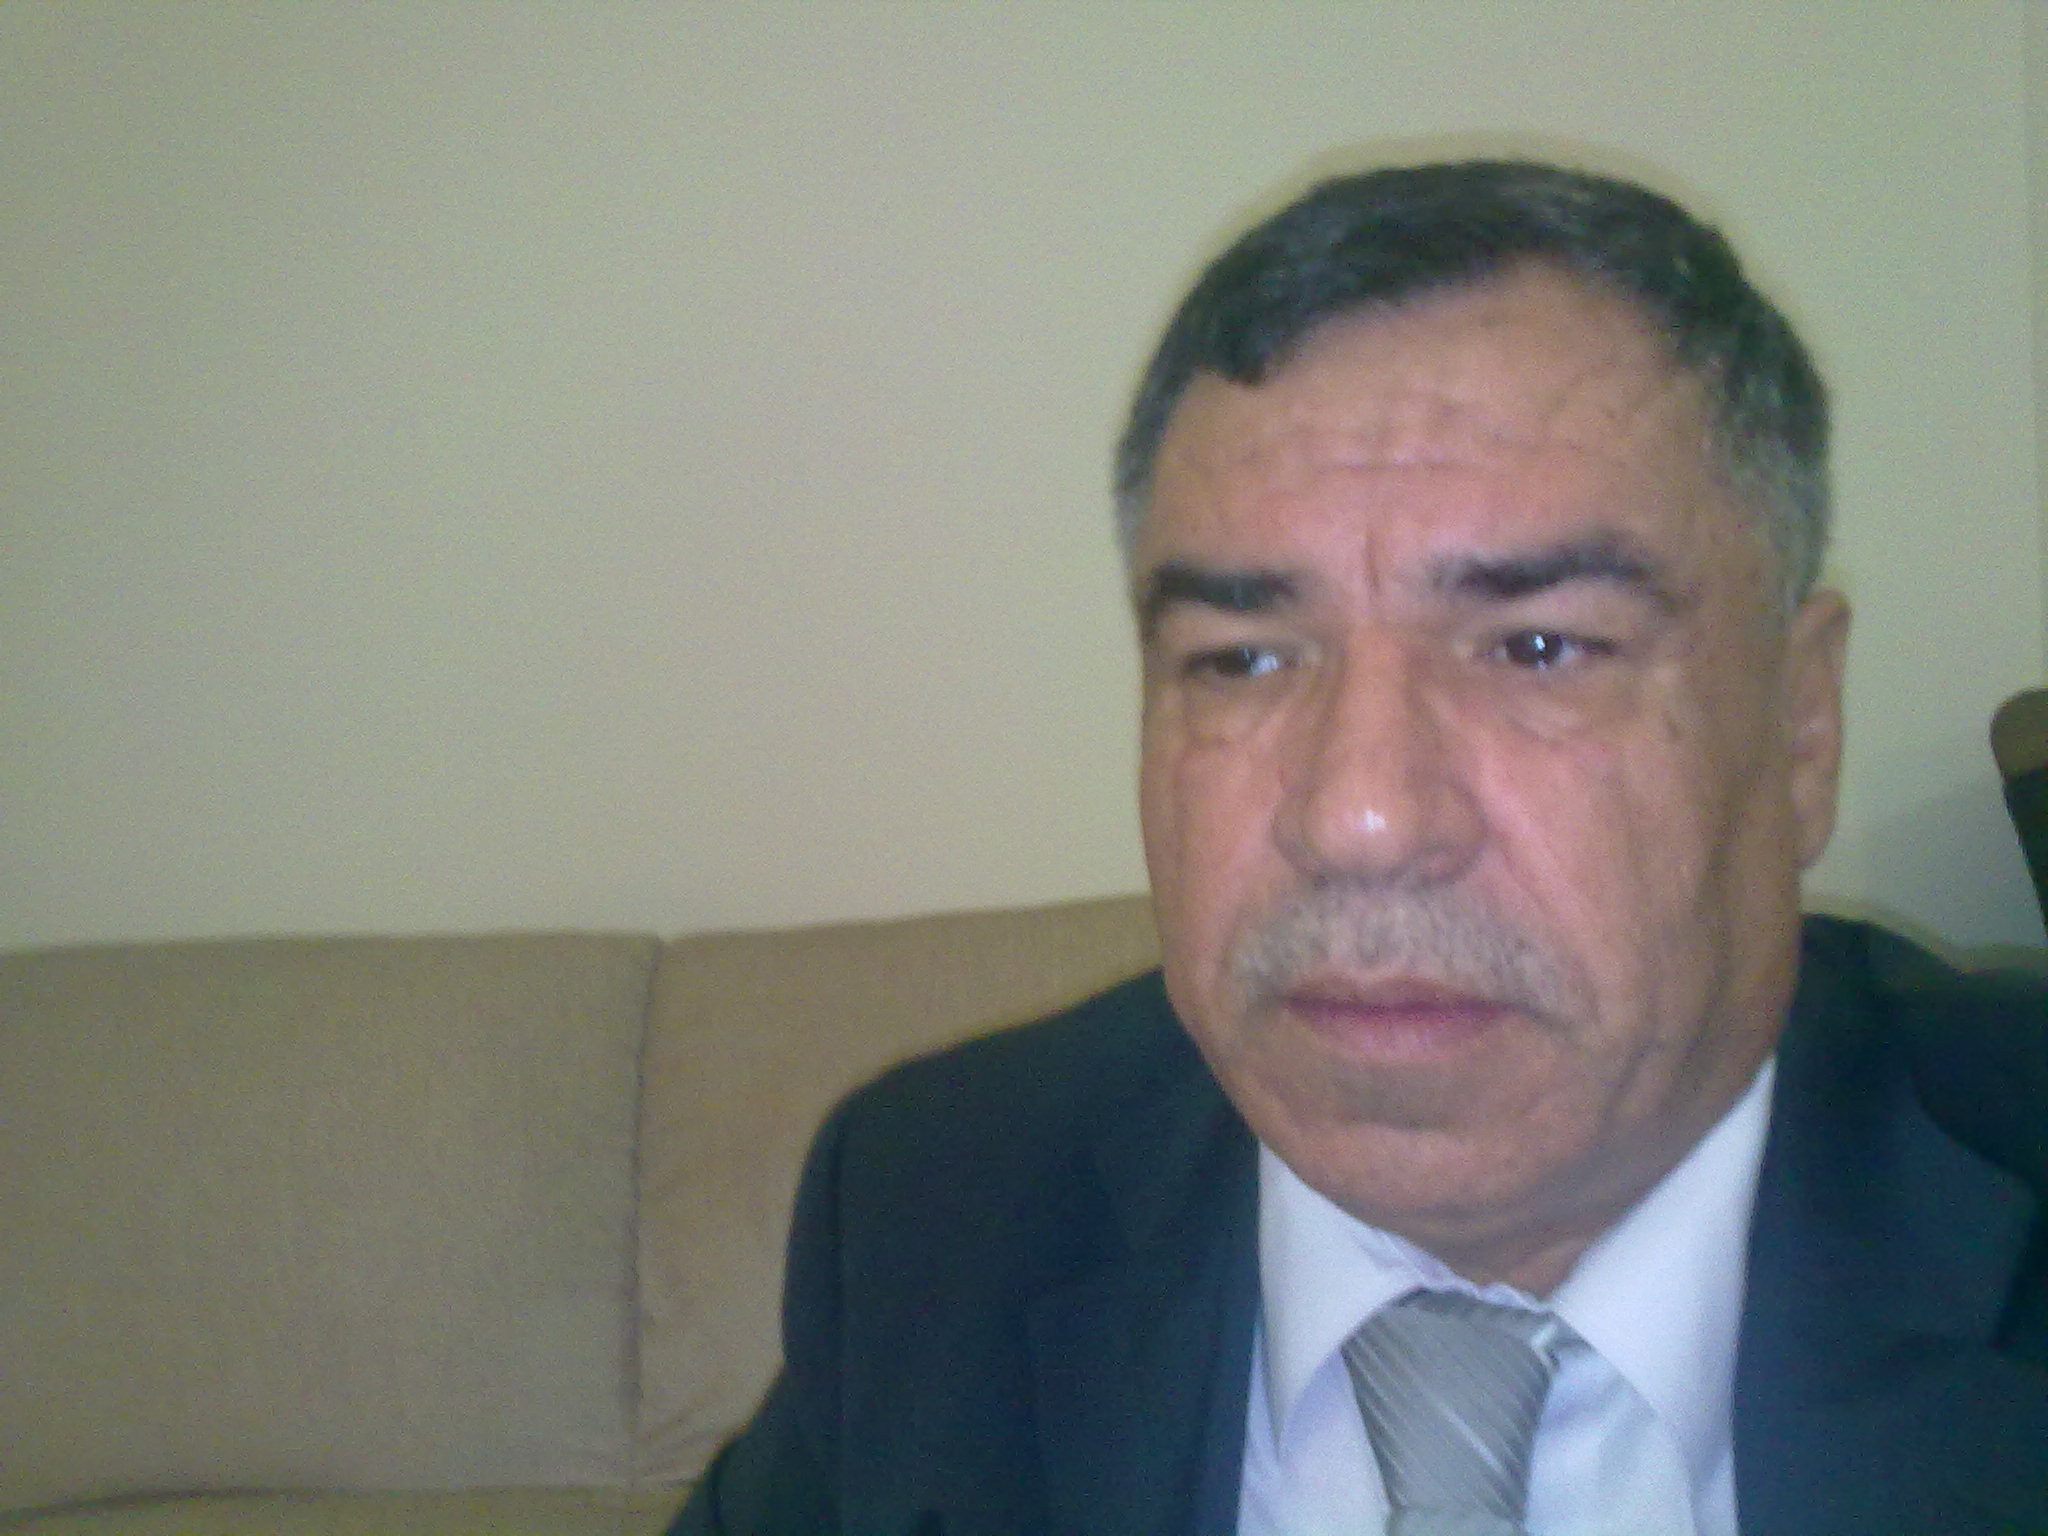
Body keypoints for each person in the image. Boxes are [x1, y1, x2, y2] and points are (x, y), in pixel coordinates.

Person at [670, 160, 2048, 1535]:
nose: (1359, 819)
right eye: (1243, 658)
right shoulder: (942, 1207)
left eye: (1539, 648)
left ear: (1801, 727)